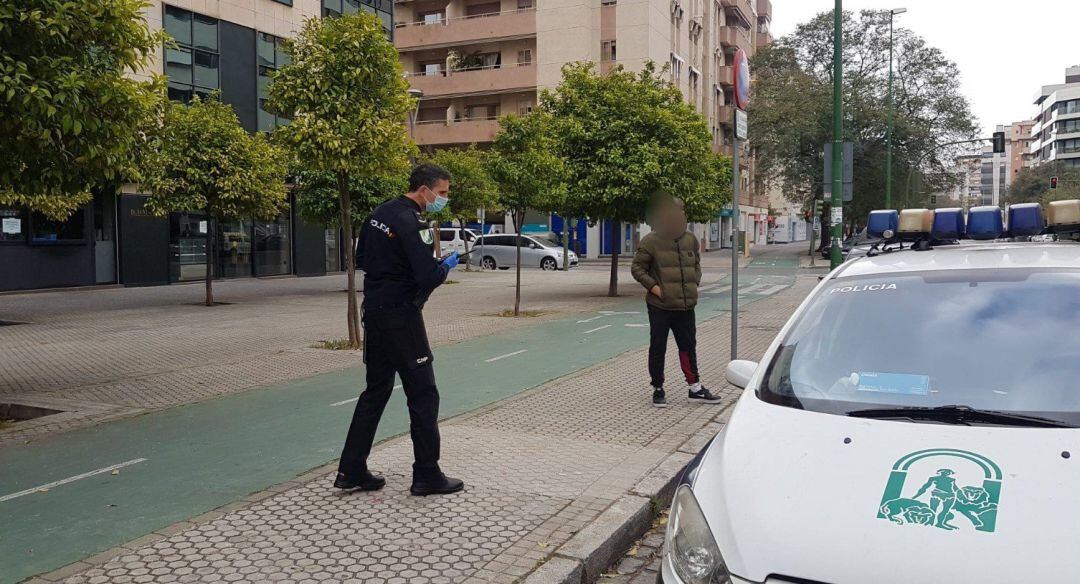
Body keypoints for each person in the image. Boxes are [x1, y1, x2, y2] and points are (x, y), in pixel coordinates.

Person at [335, 163, 464, 497]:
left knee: (375, 391)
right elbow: (427, 276)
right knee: (423, 394)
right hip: (402, 318)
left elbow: (361, 256)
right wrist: (446, 265)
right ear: (425, 190)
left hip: (375, 313)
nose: (443, 199)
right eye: (443, 192)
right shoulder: (413, 221)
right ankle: (427, 475)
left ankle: (351, 469)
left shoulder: (380, 213)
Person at [631, 194, 723, 408]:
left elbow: (696, 264)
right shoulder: (651, 241)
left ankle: (695, 388)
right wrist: (656, 289)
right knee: (658, 347)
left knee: (688, 346)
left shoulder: (690, 238)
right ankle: (658, 388)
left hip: (686, 305)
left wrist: (695, 282)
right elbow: (637, 268)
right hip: (660, 306)